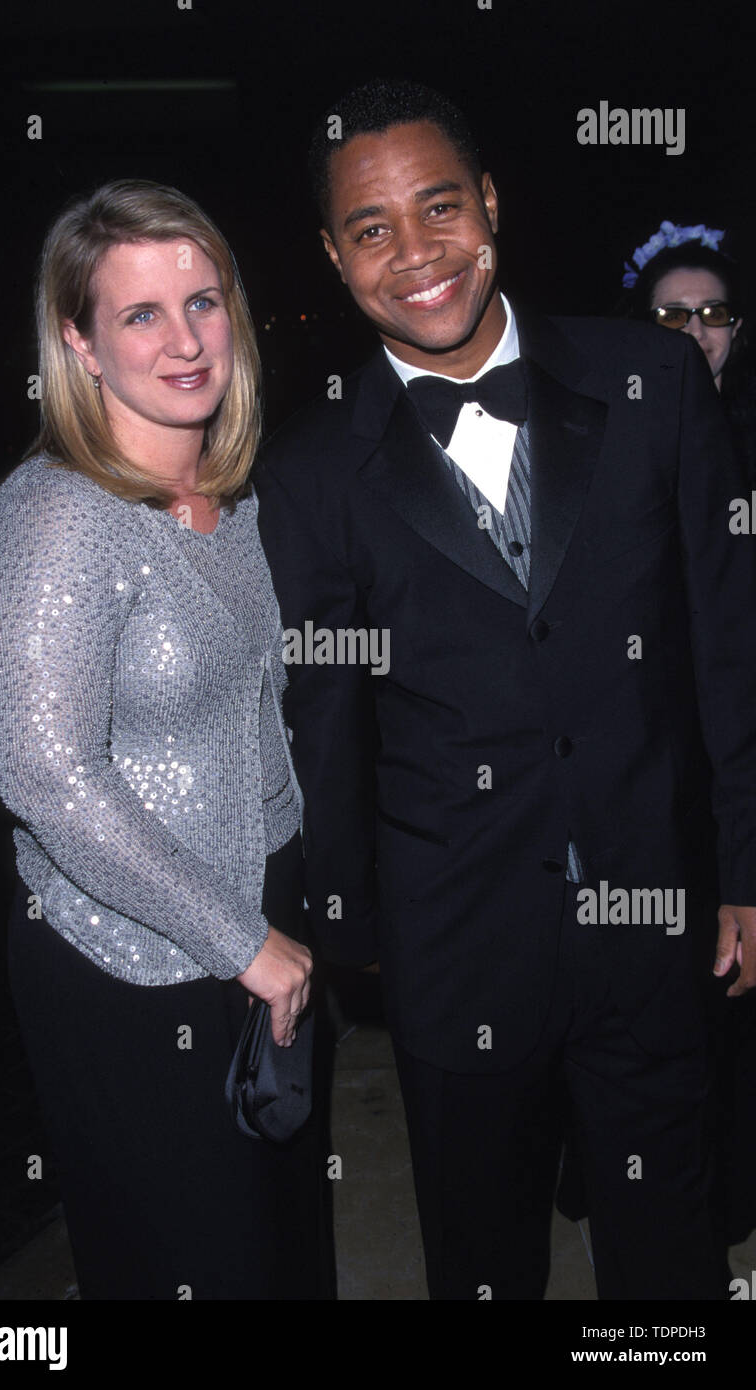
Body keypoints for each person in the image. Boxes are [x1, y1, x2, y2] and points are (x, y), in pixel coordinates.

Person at [254, 80, 756, 1301]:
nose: (416, 253)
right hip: (455, 948)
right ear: (333, 256)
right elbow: (325, 722)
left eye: (439, 207)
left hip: (650, 917)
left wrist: (744, 870)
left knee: (668, 1257)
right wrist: (349, 931)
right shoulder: (312, 471)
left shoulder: (652, 382)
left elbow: (727, 645)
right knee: (482, 1259)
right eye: (371, 229)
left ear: (489, 202)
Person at [0, 179, 334, 1300]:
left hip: (259, 906)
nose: (186, 342)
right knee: (193, 1260)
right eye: (140, 315)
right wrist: (241, 938)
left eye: (205, 303)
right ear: (77, 340)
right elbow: (46, 774)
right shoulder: (54, 518)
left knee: (284, 1248)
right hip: (127, 959)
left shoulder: (238, 492)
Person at [622, 222, 755, 480]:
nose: (696, 331)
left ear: (735, 327)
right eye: (673, 316)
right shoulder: (619, 439)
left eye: (714, 313)